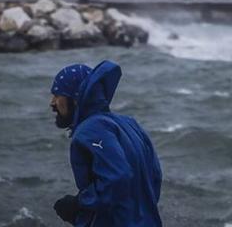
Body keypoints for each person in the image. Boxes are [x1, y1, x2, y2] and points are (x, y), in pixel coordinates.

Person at [49, 60, 163, 226]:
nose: (52, 102)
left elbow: (118, 177)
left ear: (74, 97)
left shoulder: (90, 129)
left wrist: (79, 204)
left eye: (57, 94)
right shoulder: (129, 123)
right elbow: (155, 175)